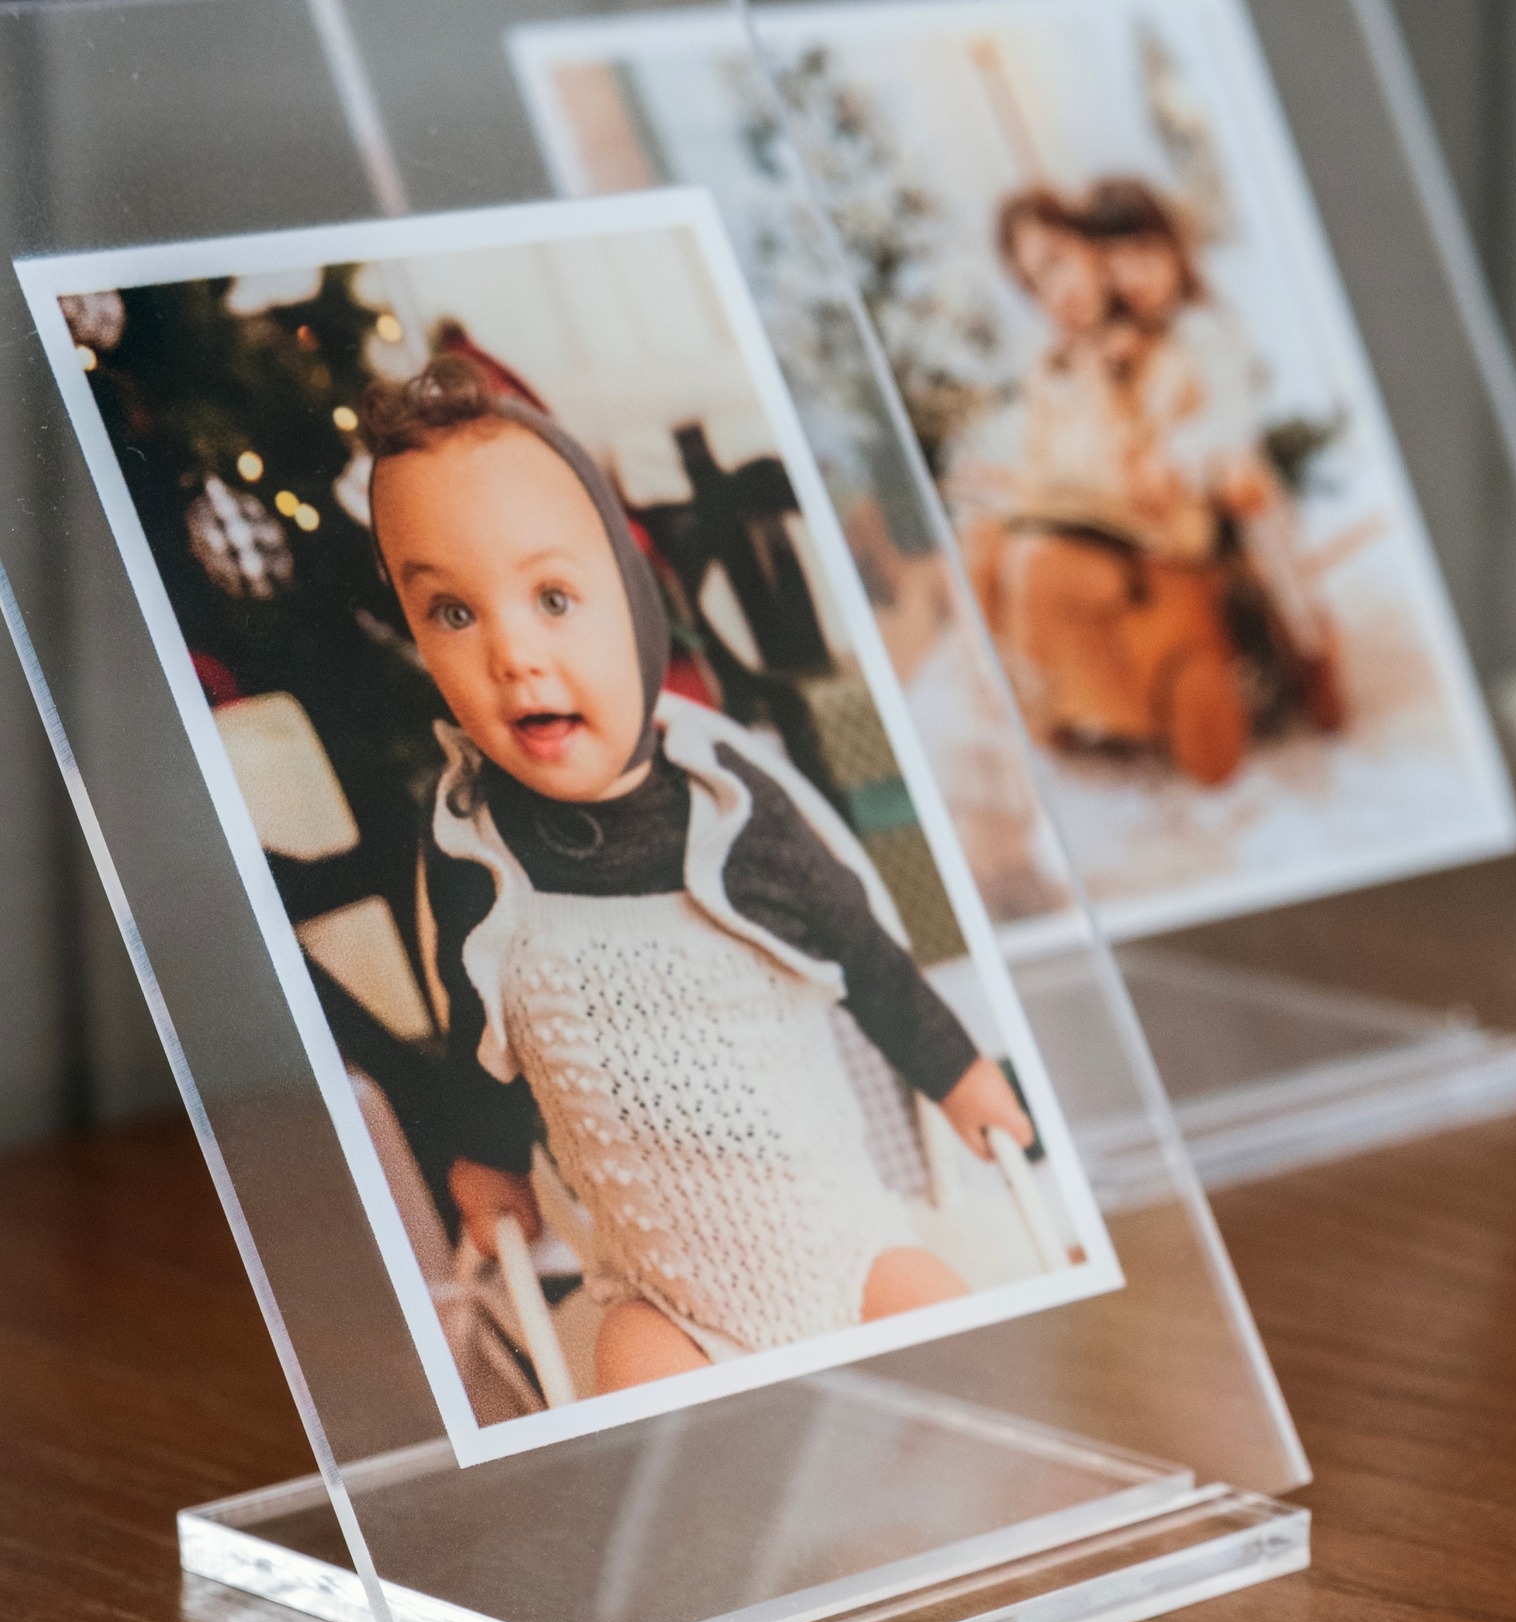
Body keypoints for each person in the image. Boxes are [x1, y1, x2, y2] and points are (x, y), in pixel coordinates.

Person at [361, 356, 1034, 1396]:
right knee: (646, 1401)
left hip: (850, 1254)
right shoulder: (471, 850)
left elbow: (862, 949)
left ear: (633, 602)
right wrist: (489, 1161)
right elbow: (477, 1034)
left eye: (552, 597)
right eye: (453, 612)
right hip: (664, 1299)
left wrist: (955, 1069)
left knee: (967, 1364)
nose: (512, 654)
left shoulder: (728, 806)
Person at [964, 179, 1339, 785]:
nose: (1054, 294)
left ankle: (1304, 643)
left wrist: (1148, 437)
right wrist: (1021, 478)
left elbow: (1194, 426)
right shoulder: (1057, 364)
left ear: (1089, 250)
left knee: (1037, 561)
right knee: (983, 544)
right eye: (1034, 286)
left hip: (1167, 513)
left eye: (1058, 264)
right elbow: (1048, 453)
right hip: (1097, 512)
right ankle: (1031, 698)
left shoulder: (1164, 340)